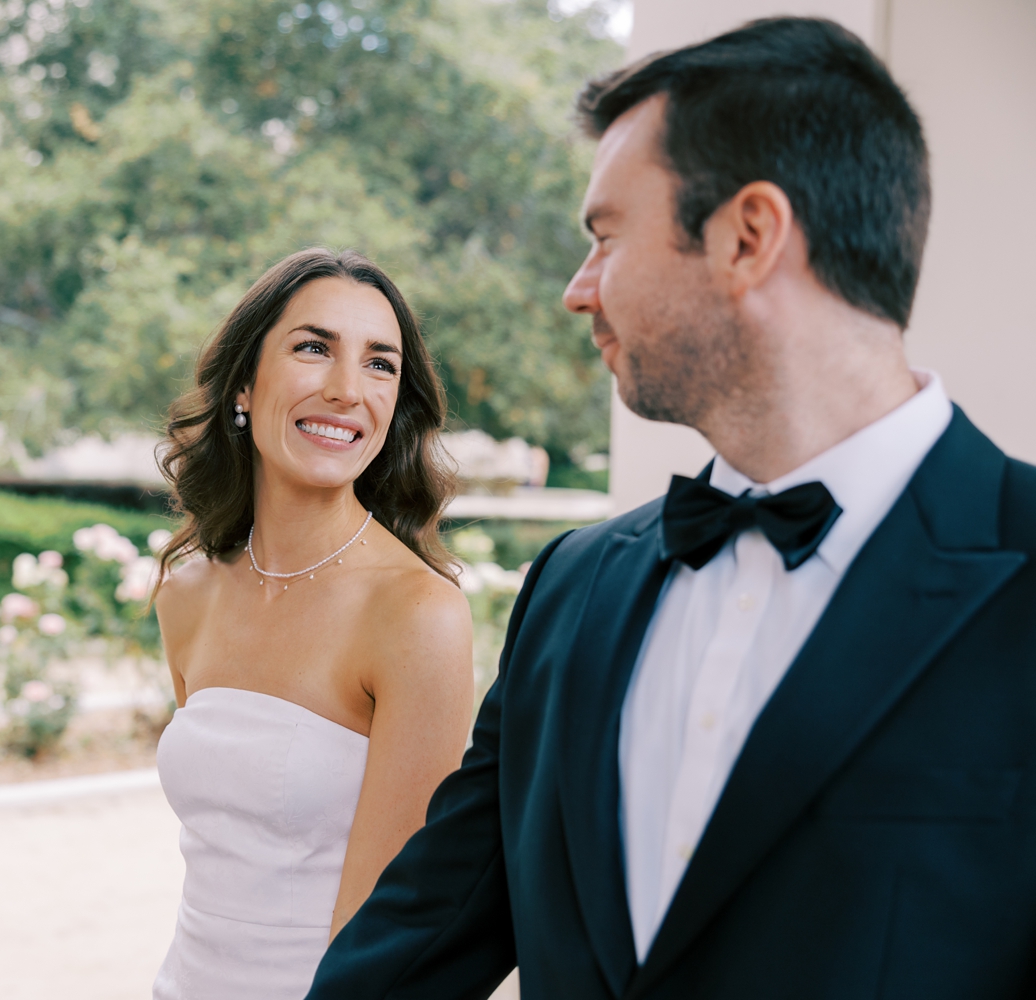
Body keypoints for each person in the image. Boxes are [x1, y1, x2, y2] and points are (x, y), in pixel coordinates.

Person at [307, 16, 1036, 999]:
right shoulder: (570, 590)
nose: (578, 290)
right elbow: (417, 938)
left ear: (747, 237)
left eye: (606, 235)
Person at [149, 247, 475, 1000]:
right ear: (243, 383)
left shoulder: (417, 614)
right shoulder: (187, 592)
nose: (346, 390)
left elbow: (387, 930)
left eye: (379, 364)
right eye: (312, 348)